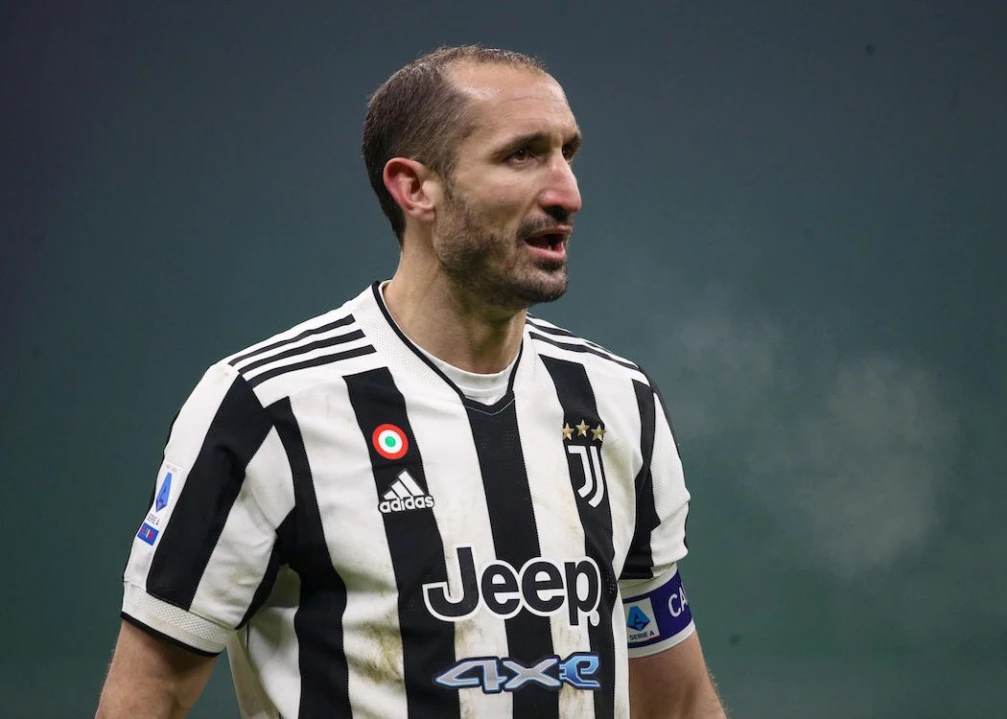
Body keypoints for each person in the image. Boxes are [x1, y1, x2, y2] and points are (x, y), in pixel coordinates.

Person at [95, 45, 728, 719]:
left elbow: (678, 701)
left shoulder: (615, 400)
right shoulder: (269, 408)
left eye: (566, 153)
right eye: (522, 155)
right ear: (415, 188)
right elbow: (150, 693)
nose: (566, 192)